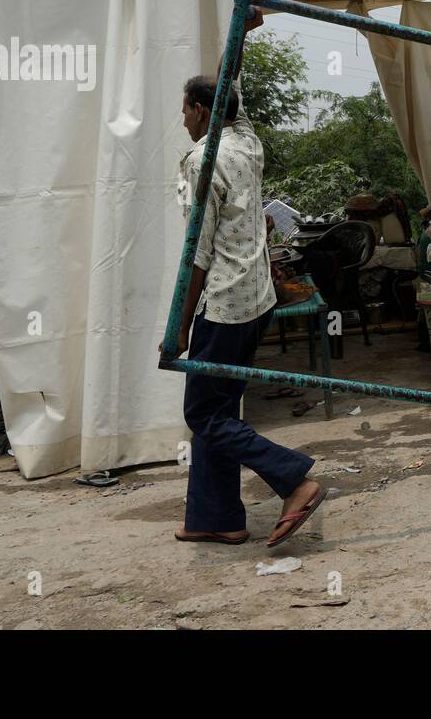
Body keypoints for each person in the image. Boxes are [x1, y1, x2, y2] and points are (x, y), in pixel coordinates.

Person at [165, 61, 325, 547]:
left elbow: (199, 252)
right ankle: (216, 517)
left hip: (226, 304)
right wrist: (243, 35)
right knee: (220, 407)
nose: (184, 120)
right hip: (259, 299)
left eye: (186, 110)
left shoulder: (204, 158)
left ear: (199, 110)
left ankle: (295, 481)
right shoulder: (247, 142)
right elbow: (232, 92)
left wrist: (180, 326)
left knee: (204, 415)